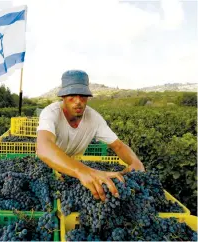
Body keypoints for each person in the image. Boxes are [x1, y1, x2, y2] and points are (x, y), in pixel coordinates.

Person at [36, 70, 145, 201]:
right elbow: (43, 147)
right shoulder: (51, 113)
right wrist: (82, 171)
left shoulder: (94, 118)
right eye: (72, 95)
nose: (78, 101)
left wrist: (135, 162)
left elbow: (118, 146)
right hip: (48, 164)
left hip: (75, 165)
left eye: (82, 96)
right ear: (63, 96)